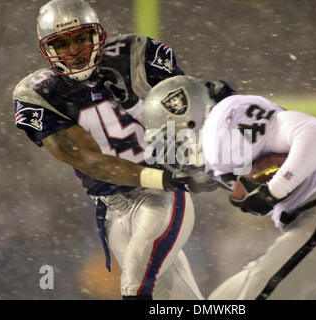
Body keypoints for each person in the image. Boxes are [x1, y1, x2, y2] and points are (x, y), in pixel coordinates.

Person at [13, 0, 211, 300]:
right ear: (46, 49)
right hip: (113, 208)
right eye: (63, 43)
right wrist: (160, 177)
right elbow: (89, 159)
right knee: (175, 296)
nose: (76, 50)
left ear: (98, 34)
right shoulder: (40, 93)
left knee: (136, 285)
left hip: (163, 196)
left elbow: (187, 118)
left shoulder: (137, 56)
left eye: (81, 37)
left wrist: (138, 104)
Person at [141, 75, 316, 299]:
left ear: (189, 120)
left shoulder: (224, 117)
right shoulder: (217, 146)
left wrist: (274, 191)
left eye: (171, 136)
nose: (173, 149)